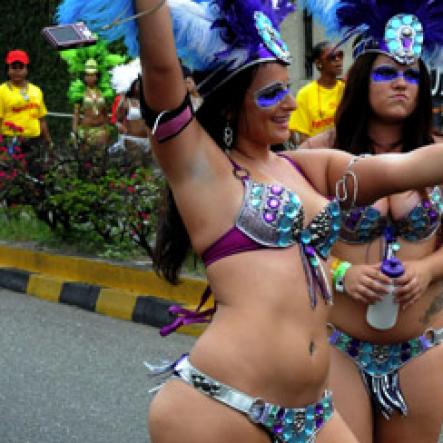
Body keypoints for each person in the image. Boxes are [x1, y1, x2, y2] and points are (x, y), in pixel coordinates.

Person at [57, 1, 443, 442]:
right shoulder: (202, 169)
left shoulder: (304, 167)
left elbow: (407, 169)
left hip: (313, 413)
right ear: (227, 106)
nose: (289, 103)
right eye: (270, 94)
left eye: (287, 88)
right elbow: (163, 72)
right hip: (223, 407)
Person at [300, 1, 443, 442]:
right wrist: (341, 273)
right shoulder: (317, 157)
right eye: (387, 73)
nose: (402, 83)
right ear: (362, 81)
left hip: (422, 346)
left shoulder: (439, 155)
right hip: (338, 344)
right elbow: (285, 252)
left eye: (412, 75)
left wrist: (426, 269)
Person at [60, 40, 125, 176]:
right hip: (86, 131)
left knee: (101, 161)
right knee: (84, 161)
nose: (91, 77)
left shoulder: (103, 92)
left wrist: (112, 127)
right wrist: (74, 132)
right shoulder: (79, 92)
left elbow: (107, 112)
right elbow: (76, 113)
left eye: (93, 74)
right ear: (84, 76)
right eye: (88, 74)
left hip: (102, 130)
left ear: (97, 75)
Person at [0, 49, 53, 174]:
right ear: (8, 69)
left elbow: (41, 119)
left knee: (36, 175)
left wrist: (49, 141)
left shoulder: (36, 91)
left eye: (21, 67)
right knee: (9, 175)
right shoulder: (2, 91)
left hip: (34, 141)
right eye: (13, 67)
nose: (17, 71)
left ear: (27, 69)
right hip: (10, 142)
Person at [288, 41, 344, 145]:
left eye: (340, 55)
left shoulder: (347, 89)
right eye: (332, 57)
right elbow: (302, 138)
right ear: (319, 63)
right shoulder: (305, 94)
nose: (338, 60)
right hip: (318, 154)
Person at [111, 58, 150, 172]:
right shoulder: (126, 102)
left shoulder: (148, 101)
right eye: (137, 84)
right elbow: (117, 120)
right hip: (132, 139)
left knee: (148, 170)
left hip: (148, 141)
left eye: (141, 83)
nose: (139, 86)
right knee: (137, 167)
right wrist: (120, 126)